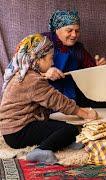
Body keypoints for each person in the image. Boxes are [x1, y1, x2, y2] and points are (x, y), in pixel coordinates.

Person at [0, 33, 98, 164]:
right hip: (18, 132)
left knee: (59, 125)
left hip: (13, 131)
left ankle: (64, 141)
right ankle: (40, 151)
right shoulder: (32, 80)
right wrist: (84, 113)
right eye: (50, 58)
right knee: (70, 129)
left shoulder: (24, 73)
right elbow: (58, 101)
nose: (52, 62)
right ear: (38, 59)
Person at [41, 10, 106, 102]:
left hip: (69, 101)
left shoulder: (78, 49)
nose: (74, 35)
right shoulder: (40, 42)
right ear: (57, 29)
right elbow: (18, 72)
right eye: (69, 30)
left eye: (77, 31)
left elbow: (90, 73)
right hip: (43, 100)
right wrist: (45, 73)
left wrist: (98, 69)